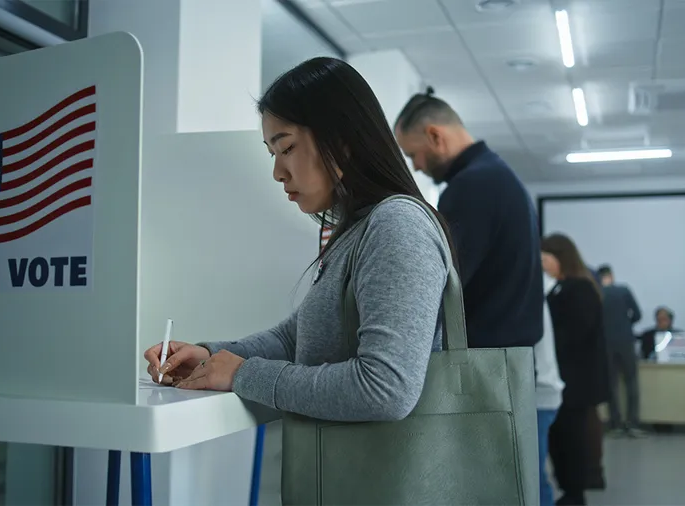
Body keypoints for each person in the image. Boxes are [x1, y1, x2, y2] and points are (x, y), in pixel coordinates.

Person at [144, 57, 453, 428]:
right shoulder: (357, 231)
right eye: (272, 154)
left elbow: (385, 389)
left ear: (341, 141)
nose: (277, 173)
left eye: (286, 148)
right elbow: (295, 340)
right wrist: (211, 356)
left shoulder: (397, 225)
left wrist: (243, 374)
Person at [393, 88, 542, 348]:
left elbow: (440, 284)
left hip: (482, 367)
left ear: (434, 136)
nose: (416, 166)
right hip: (507, 361)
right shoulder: (498, 175)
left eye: (413, 155)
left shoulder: (471, 186)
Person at [542, 234, 610, 506]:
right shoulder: (564, 288)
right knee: (564, 440)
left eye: (546, 259)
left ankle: (574, 493)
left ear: (561, 258)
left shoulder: (579, 289)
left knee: (572, 441)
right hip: (569, 382)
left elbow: (573, 334)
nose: (543, 265)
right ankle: (570, 490)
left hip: (576, 383)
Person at [596, 264, 644, 437]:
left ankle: (615, 423)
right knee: (631, 381)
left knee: (611, 384)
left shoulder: (597, 293)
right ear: (612, 276)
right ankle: (633, 423)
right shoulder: (624, 291)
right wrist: (625, 325)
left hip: (606, 344)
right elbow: (638, 314)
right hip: (626, 342)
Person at [536, 273, 565, 506]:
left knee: (534, 476)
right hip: (544, 390)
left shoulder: (534, 287)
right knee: (534, 474)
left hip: (539, 392)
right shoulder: (538, 285)